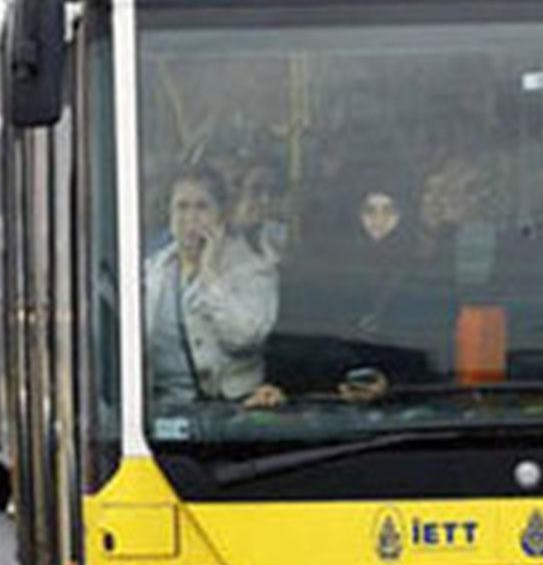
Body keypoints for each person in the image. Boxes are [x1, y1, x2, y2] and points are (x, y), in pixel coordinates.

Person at [249, 179, 441, 407]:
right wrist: (277, 386)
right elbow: (294, 344)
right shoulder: (320, 270)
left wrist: (390, 384)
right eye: (369, 211)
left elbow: (428, 353)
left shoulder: (423, 273)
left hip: (402, 420)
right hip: (327, 410)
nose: (379, 221)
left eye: (389, 211)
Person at [144, 167, 278, 404]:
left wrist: (210, 274)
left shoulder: (253, 268)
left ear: (222, 215)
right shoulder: (153, 268)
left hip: (228, 408)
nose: (190, 217)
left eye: (202, 207)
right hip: (160, 408)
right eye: (182, 206)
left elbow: (244, 337)